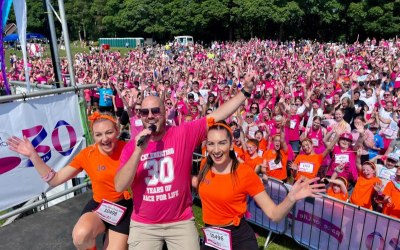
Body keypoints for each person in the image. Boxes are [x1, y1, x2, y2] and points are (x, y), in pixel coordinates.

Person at [114, 72, 258, 250]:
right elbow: (120, 186)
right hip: (145, 225)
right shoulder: (132, 146)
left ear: (165, 112)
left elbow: (219, 114)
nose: (150, 115)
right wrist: (138, 151)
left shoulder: (183, 133)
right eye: (144, 112)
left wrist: (245, 91)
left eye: (155, 111)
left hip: (180, 222)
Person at [7, 112, 133, 250]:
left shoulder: (129, 148)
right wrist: (33, 155)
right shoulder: (87, 154)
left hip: (125, 206)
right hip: (100, 206)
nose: (105, 139)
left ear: (117, 130)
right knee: (80, 237)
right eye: (98, 135)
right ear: (93, 136)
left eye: (109, 132)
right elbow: (55, 180)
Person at [195, 123, 325, 249]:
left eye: (222, 143)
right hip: (211, 235)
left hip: (237, 237)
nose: (216, 150)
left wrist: (291, 197)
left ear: (230, 145)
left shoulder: (245, 173)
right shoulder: (205, 164)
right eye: (211, 143)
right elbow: (203, 185)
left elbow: (274, 214)